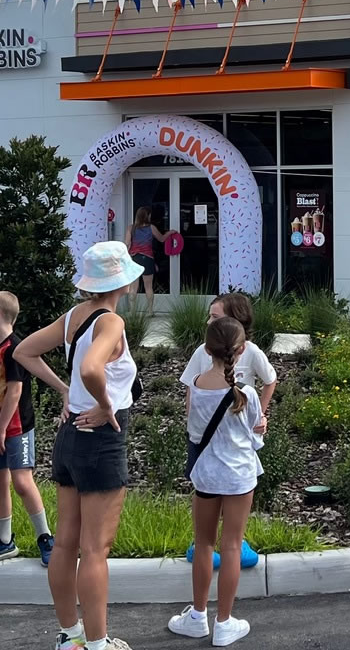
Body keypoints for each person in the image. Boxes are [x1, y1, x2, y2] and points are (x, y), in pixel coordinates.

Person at [15, 241, 141, 650]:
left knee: (66, 543)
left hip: (69, 436)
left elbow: (24, 351)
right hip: (101, 439)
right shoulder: (111, 322)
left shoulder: (73, 316)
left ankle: (71, 637)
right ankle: (99, 643)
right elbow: (90, 368)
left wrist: (65, 391)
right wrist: (106, 405)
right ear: (122, 282)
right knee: (94, 549)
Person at [168, 316, 260, 647]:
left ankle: (197, 616)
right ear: (241, 349)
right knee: (232, 545)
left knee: (203, 543)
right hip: (239, 476)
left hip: (206, 474)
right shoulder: (246, 393)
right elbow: (254, 434)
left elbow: (194, 432)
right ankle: (224, 622)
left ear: (206, 349)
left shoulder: (195, 385)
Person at [0, 291, 53, 569]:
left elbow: (15, 392)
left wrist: (1, 430)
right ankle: (4, 540)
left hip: (16, 429)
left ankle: (45, 537)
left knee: (22, 482)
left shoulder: (15, 349)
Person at [180, 294, 278, 437]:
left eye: (215, 317)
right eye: (209, 316)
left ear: (234, 320)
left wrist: (259, 415)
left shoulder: (252, 352)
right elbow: (191, 388)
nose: (208, 322)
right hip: (206, 433)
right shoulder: (202, 351)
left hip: (239, 433)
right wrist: (193, 426)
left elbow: (270, 380)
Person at [125, 208, 166, 311]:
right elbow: (162, 239)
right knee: (148, 286)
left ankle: (132, 311)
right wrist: (170, 233)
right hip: (147, 258)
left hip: (134, 258)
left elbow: (127, 243)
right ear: (147, 216)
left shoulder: (131, 228)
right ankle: (150, 310)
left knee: (133, 287)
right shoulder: (151, 227)